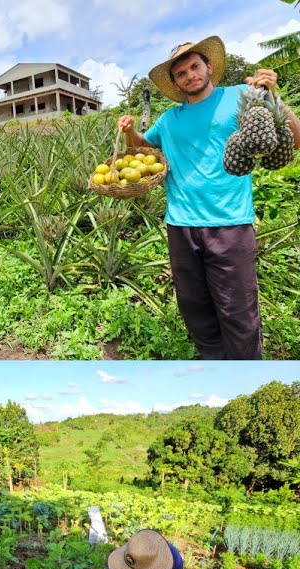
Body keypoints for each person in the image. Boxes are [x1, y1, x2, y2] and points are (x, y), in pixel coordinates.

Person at [117, 37, 300, 360]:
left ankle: (245, 370)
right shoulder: (170, 119)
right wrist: (130, 131)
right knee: (195, 306)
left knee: (238, 310)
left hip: (230, 224)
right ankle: (214, 361)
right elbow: (143, 148)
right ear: (175, 83)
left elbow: (295, 140)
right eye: (182, 73)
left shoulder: (240, 96)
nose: (190, 75)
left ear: (209, 67)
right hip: (181, 226)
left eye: (194, 66)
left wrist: (275, 97)